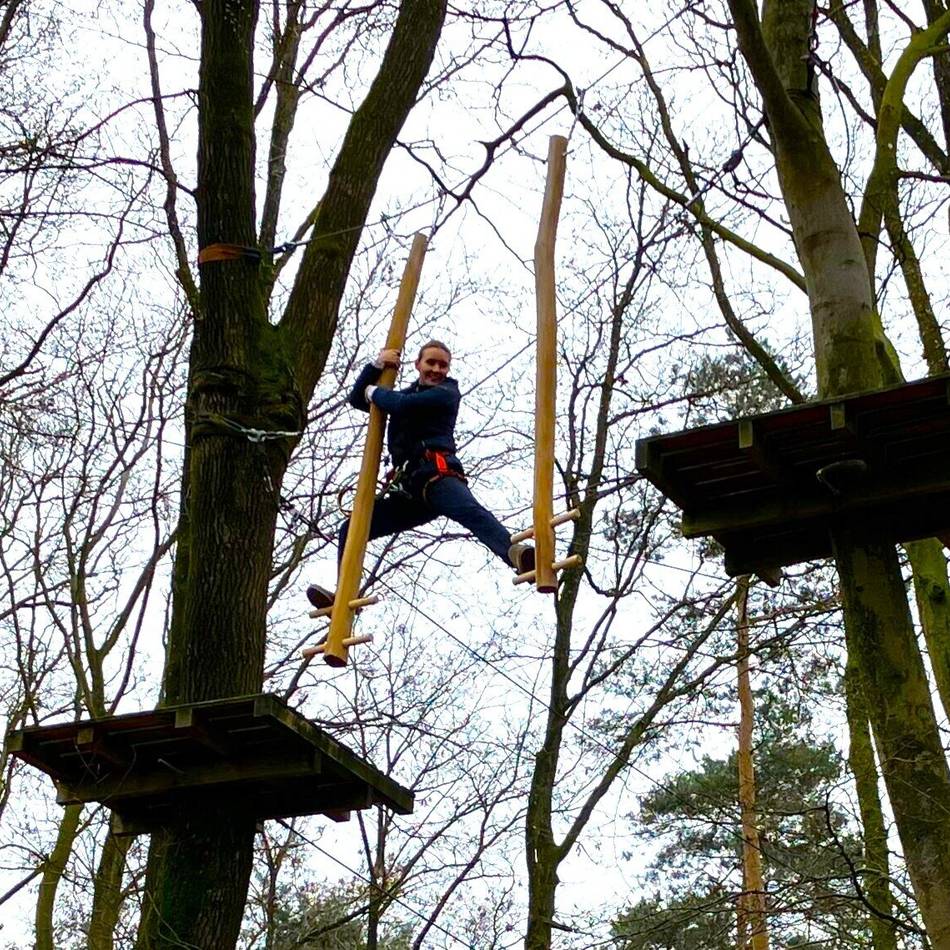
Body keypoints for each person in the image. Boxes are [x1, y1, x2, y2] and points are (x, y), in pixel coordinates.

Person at [307, 340, 534, 609]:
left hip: (438, 475)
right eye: (431, 363)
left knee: (471, 512)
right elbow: (358, 399)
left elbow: (402, 405)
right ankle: (344, 593)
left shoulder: (447, 393)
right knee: (352, 528)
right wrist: (376, 367)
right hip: (409, 490)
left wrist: (374, 391)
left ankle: (516, 554)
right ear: (418, 365)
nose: (437, 369)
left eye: (443, 365)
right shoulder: (402, 395)